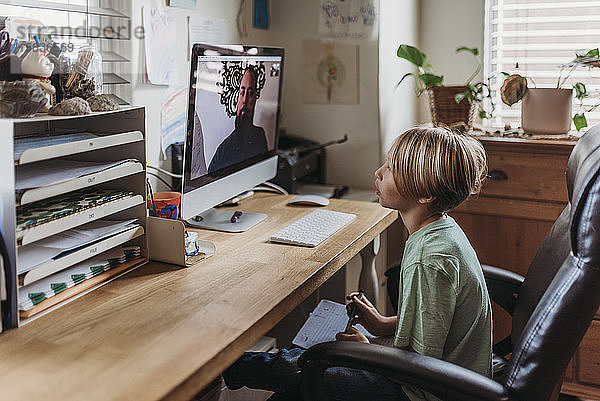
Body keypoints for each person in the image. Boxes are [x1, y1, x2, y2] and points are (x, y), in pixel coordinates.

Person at [222, 126, 492, 401]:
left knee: (306, 371)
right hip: (439, 381)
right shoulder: (440, 233)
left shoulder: (429, 259)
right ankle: (233, 369)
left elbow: (420, 366)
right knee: (304, 370)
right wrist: (381, 325)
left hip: (425, 392)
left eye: (392, 168)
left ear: (425, 195)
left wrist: (368, 353)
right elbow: (434, 323)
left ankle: (221, 371)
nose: (379, 172)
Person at [208, 67, 268, 172]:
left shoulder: (259, 135)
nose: (245, 100)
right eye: (242, 92)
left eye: (250, 93)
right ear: (236, 98)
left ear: (255, 98)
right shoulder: (223, 151)